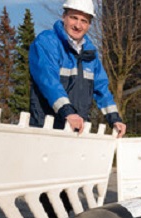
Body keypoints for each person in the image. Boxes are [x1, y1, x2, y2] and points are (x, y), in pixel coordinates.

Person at [29, 0, 126, 138]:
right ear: (64, 17)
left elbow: (101, 88)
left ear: (89, 25)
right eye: (74, 18)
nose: (78, 25)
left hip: (76, 130)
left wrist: (115, 119)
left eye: (84, 21)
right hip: (46, 128)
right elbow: (48, 80)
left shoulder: (90, 54)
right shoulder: (47, 42)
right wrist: (68, 112)